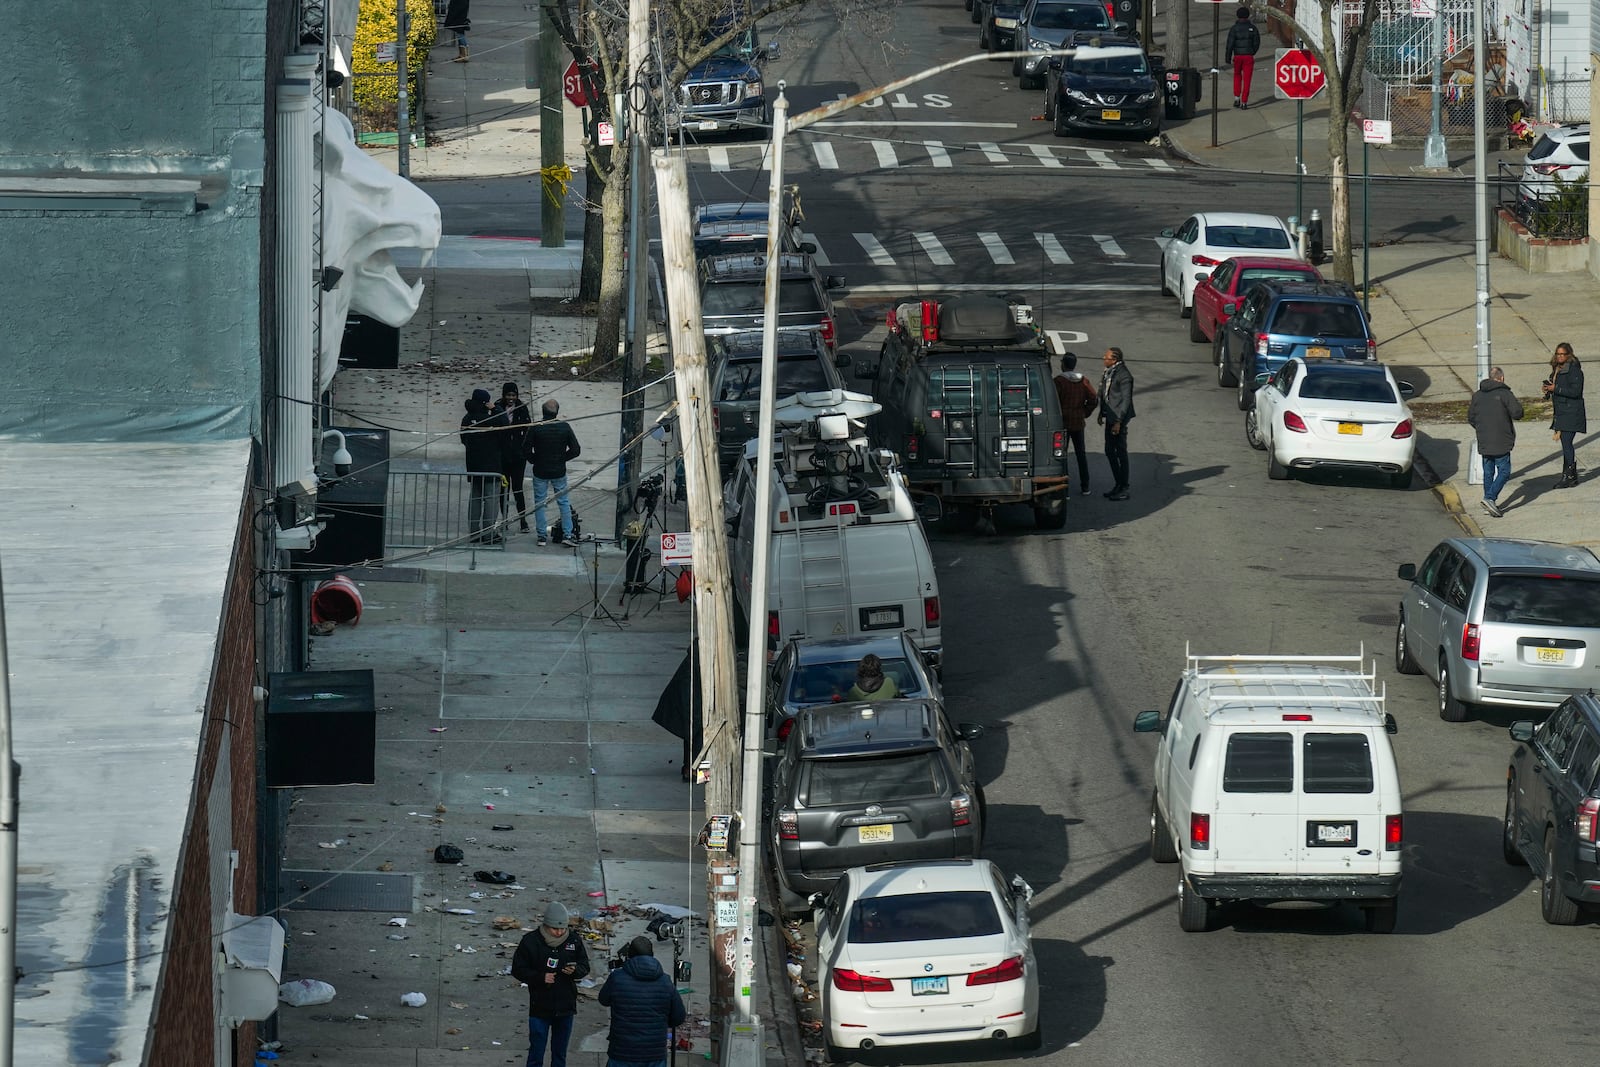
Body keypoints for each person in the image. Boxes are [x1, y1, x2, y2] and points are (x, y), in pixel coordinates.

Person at [510, 901, 591, 1067]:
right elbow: (518, 969)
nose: (560, 932)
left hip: (565, 1007)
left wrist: (575, 972)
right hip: (540, 1007)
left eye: (563, 929)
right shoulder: (530, 941)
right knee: (536, 1054)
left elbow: (584, 966)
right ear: (546, 925)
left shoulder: (574, 941)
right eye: (555, 929)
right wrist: (540, 977)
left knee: (559, 1055)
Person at [598, 936, 686, 1067]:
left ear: (629, 955)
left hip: (622, 1051)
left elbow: (603, 1000)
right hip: (654, 1053)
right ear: (652, 955)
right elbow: (678, 1017)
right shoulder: (665, 982)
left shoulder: (617, 978)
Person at [524, 398, 582, 546]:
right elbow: (576, 450)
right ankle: (567, 534)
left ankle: (542, 536)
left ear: (543, 412)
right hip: (559, 470)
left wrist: (534, 460)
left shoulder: (536, 427)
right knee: (563, 502)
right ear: (557, 412)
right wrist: (562, 458)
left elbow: (525, 449)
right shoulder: (564, 427)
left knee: (540, 503)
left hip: (540, 469)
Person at [1467, 366, 1523, 517]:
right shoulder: (1505, 394)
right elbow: (1518, 412)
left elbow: (1471, 418)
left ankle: (1488, 505)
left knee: (1488, 471)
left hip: (1484, 439)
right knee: (1504, 471)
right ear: (1502, 378)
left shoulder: (1477, 395)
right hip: (1501, 439)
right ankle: (1490, 498)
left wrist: (1482, 429)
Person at [461, 388, 507, 544]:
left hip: (473, 465)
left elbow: (463, 440)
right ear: (485, 402)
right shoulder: (492, 419)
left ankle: (474, 533)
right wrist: (494, 408)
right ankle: (489, 534)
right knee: (491, 500)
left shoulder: (467, 419)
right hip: (492, 466)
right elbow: (505, 423)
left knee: (475, 498)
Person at [652, 645, 704, 782]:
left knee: (694, 737)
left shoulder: (693, 662)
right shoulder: (697, 665)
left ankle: (691, 769)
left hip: (691, 704)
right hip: (693, 704)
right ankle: (697, 772)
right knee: (700, 739)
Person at [1053, 351, 1099, 496]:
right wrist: (1084, 412)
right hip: (1078, 423)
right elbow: (1093, 399)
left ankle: (1063, 487)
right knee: (1081, 455)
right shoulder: (1083, 380)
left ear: (1063, 365)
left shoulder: (1059, 382)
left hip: (1063, 424)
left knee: (1061, 456)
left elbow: (1053, 402)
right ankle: (1085, 486)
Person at [1543, 342, 1585, 489]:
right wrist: (1549, 389)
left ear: (1569, 355)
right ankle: (1569, 475)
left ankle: (1569, 476)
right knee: (1565, 443)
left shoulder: (1574, 371)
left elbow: (1576, 392)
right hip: (1561, 412)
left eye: (1563, 354)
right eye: (1558, 354)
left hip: (1572, 412)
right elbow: (1558, 390)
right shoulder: (1556, 370)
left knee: (1567, 442)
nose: (1560, 356)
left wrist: (1557, 388)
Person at [1097, 347, 1135, 501]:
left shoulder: (1124, 376)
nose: (1103, 359)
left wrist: (1119, 421)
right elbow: (1105, 395)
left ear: (1114, 360)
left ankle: (1123, 487)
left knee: (1120, 452)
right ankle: (1118, 484)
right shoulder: (1109, 372)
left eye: (1106, 357)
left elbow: (1126, 400)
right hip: (1111, 417)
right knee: (1109, 450)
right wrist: (1102, 413)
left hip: (1119, 419)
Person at [496, 382, 534, 532]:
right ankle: (504, 520)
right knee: (503, 489)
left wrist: (524, 449)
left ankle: (522, 521)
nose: (511, 398)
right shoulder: (498, 408)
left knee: (518, 489)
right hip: (503, 456)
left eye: (513, 395)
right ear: (504, 395)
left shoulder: (522, 408)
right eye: (508, 395)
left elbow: (528, 429)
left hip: (518, 457)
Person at [1224, 7, 1262, 109]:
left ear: (1237, 16)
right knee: (1247, 79)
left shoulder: (1234, 29)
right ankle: (1244, 102)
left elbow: (1230, 44)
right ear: (1248, 16)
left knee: (1237, 76)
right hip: (1248, 56)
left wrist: (1228, 57)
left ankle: (1237, 97)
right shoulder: (1253, 28)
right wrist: (1252, 52)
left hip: (1237, 56)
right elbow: (1257, 42)